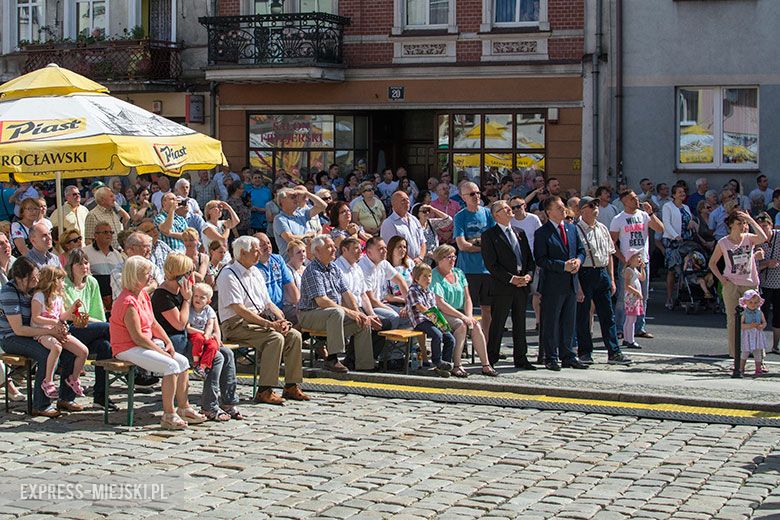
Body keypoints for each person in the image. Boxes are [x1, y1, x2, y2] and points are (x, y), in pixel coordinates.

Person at [110, 256, 205, 429]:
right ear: (135, 275)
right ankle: (169, 414)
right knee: (170, 365)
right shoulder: (128, 301)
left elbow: (153, 323)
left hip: (142, 343)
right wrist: (161, 351)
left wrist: (167, 341)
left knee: (182, 362)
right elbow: (137, 337)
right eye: (146, 273)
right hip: (127, 346)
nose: (150, 277)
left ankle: (184, 407)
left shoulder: (143, 295)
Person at [217, 236, 308, 405]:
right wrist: (268, 324)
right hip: (236, 323)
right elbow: (239, 309)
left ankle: (291, 385)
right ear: (242, 253)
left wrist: (281, 320)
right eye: (255, 251)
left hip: (258, 319)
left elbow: (267, 302)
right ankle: (265, 390)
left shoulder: (255, 272)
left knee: (294, 335)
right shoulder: (228, 274)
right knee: (274, 338)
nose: (259, 254)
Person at [0, 257, 78, 417]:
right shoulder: (9, 292)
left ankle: (66, 397)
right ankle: (41, 405)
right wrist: (50, 331)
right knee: (45, 353)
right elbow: (19, 329)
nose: (37, 280)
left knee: (68, 350)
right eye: (33, 277)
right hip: (11, 337)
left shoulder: (32, 291)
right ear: (22, 278)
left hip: (33, 333)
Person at [297, 235, 375, 373]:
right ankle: (332, 359)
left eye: (334, 246)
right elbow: (321, 301)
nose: (334, 249)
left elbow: (346, 293)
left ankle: (365, 365)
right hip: (309, 315)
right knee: (336, 312)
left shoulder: (334, 268)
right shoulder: (312, 270)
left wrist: (357, 312)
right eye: (329, 247)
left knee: (362, 321)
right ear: (317, 251)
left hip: (330, 315)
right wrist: (349, 312)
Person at [479, 200, 536, 370]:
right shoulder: (489, 235)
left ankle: (521, 357)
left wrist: (528, 276)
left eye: (508, 207)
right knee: (498, 322)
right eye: (503, 208)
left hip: (522, 284)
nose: (508, 209)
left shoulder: (520, 232)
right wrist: (511, 278)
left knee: (520, 322)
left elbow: (529, 260)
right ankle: (491, 357)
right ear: (496, 215)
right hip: (502, 285)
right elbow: (491, 264)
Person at [574, 197, 630, 365]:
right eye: (592, 206)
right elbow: (574, 258)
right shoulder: (576, 230)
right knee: (583, 315)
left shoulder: (602, 228)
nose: (596, 208)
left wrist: (611, 278)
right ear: (583, 210)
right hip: (584, 273)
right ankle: (584, 352)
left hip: (601, 272)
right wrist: (577, 285)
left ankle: (614, 351)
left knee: (608, 315)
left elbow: (610, 255)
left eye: (596, 205)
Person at [534, 196, 588, 371]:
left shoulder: (572, 229)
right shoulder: (542, 232)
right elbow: (541, 259)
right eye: (558, 207)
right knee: (551, 321)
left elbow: (581, 250)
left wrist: (578, 262)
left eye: (563, 207)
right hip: (552, 284)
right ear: (549, 212)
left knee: (568, 321)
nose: (563, 209)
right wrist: (562, 266)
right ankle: (551, 357)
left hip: (570, 282)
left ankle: (568, 355)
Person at [430, 245, 495, 376]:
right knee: (461, 326)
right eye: (449, 257)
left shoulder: (459, 273)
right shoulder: (434, 275)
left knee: (476, 326)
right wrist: (463, 317)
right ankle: (457, 365)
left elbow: (467, 298)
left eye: (454, 256)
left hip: (459, 311)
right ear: (440, 259)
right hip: (440, 312)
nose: (453, 259)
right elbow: (440, 303)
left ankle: (486, 364)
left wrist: (469, 315)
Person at [62, 248, 115, 410]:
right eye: (79, 263)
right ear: (71, 266)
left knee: (105, 346)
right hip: (70, 328)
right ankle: (66, 397)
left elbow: (98, 313)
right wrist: (99, 325)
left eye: (86, 262)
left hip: (92, 327)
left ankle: (101, 396)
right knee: (109, 329)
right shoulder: (65, 284)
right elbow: (73, 315)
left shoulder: (92, 282)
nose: (84, 266)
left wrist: (96, 324)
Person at [709, 211, 766, 358]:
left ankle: (757, 352)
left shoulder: (748, 238)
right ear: (731, 225)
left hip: (750, 284)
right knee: (733, 319)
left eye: (744, 223)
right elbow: (712, 263)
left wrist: (751, 220)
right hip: (732, 284)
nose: (743, 226)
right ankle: (735, 353)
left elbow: (763, 238)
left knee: (755, 318)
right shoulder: (723, 242)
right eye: (739, 223)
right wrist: (722, 280)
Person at [609, 190, 664, 340]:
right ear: (624, 201)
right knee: (623, 296)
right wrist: (622, 258)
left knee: (643, 296)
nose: (636, 200)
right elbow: (611, 243)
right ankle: (620, 327)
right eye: (632, 198)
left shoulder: (643, 215)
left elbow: (660, 229)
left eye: (635, 198)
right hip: (627, 264)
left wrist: (651, 214)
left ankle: (639, 327)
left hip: (642, 262)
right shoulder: (618, 219)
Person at [30, 265, 89, 400]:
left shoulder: (58, 298)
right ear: (52, 281)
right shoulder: (39, 296)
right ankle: (48, 380)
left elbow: (62, 316)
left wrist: (73, 310)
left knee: (83, 351)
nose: (63, 283)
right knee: (56, 347)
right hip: (42, 331)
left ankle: (73, 378)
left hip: (57, 331)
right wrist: (54, 323)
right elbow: (36, 317)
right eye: (61, 280)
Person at [453, 181, 495, 340]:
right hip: (468, 270)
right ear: (463, 197)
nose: (477, 196)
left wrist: (476, 243)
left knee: (487, 309)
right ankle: (462, 343)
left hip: (487, 269)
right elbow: (462, 245)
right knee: (465, 309)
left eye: (478, 192)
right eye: (472, 194)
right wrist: (482, 245)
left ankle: (486, 343)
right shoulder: (460, 216)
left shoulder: (487, 213)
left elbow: (492, 241)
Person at [406, 262, 454, 377]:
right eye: (425, 276)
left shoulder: (430, 292)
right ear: (417, 279)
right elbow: (421, 308)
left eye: (430, 276)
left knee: (450, 338)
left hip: (432, 320)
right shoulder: (413, 290)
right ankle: (437, 361)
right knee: (437, 335)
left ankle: (445, 364)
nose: (428, 279)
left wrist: (442, 322)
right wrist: (435, 319)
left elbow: (434, 308)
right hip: (421, 321)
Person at [358, 237, 409, 329]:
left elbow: (400, 281)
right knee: (394, 316)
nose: (385, 251)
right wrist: (394, 310)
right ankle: (389, 342)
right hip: (368, 307)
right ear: (369, 252)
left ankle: (400, 343)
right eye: (380, 249)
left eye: (385, 248)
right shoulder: (363, 267)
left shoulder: (383, 263)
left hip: (381, 304)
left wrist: (408, 304)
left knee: (410, 314)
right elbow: (371, 300)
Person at [151, 254, 195, 357]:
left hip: (184, 335)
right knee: (216, 356)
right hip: (170, 338)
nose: (191, 276)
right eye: (189, 272)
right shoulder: (161, 295)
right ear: (180, 275)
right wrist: (187, 300)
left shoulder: (182, 290)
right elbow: (179, 324)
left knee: (224, 353)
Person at [661, 185, 695, 310]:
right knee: (672, 269)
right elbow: (667, 223)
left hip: (686, 240)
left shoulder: (686, 207)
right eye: (679, 192)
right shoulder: (668, 206)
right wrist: (676, 236)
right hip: (672, 241)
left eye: (683, 191)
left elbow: (689, 221)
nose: (682, 193)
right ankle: (669, 297)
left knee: (684, 269)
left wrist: (692, 224)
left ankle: (681, 295)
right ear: (674, 195)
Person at [274, 186, 328, 258]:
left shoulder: (302, 213)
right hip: (290, 262)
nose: (296, 199)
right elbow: (290, 239)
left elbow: (323, 206)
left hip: (307, 259)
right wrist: (306, 236)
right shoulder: (280, 219)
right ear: (282, 201)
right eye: (292, 197)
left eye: (296, 196)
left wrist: (306, 193)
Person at [255, 232, 300, 314]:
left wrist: (299, 305)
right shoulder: (253, 266)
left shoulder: (278, 259)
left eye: (268, 243)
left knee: (304, 315)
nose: (267, 246)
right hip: (265, 311)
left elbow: (290, 285)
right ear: (255, 248)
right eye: (262, 245)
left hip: (283, 307)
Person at [380, 190, 427, 264]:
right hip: (401, 266)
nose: (407, 202)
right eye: (403, 200)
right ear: (394, 204)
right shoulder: (389, 223)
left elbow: (423, 242)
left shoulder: (414, 219)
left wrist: (420, 258)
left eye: (407, 199)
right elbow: (392, 248)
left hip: (418, 264)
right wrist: (410, 262)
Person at [84, 222, 123, 308]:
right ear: (96, 235)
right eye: (105, 232)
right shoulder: (85, 252)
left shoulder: (117, 254)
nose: (109, 235)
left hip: (115, 299)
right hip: (96, 298)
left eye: (111, 232)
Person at [757, 213, 780, 353]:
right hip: (763, 284)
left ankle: (775, 346)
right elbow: (752, 265)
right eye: (760, 227)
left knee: (778, 316)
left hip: (779, 283)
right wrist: (766, 264)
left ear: (771, 225)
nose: (763, 229)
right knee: (761, 316)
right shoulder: (757, 241)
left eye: (765, 226)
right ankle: (759, 346)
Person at [187, 283, 220, 380]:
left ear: (208, 301)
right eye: (196, 296)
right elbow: (188, 328)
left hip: (205, 333)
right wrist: (202, 333)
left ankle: (203, 367)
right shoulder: (190, 309)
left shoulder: (208, 310)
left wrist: (208, 334)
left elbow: (210, 324)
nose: (198, 299)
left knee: (213, 346)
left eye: (202, 297)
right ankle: (196, 362)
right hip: (194, 333)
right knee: (199, 339)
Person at [738, 290, 768, 377]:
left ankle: (758, 369)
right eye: (750, 302)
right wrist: (750, 326)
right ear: (745, 302)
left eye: (755, 302)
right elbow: (741, 325)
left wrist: (762, 326)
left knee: (757, 352)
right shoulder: (744, 313)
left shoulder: (759, 312)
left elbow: (765, 322)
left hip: (757, 335)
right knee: (745, 352)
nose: (753, 304)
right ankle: (741, 368)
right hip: (747, 335)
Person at [203, 200, 239, 266]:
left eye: (221, 207)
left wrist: (228, 207)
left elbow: (236, 221)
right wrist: (227, 228)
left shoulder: (222, 222)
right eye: (217, 207)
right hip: (214, 260)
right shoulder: (206, 226)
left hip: (226, 257)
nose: (220, 209)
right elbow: (221, 240)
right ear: (209, 211)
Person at [622, 253, 645, 350]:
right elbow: (627, 286)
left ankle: (627, 338)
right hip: (631, 298)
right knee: (631, 319)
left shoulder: (634, 270)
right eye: (637, 257)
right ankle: (630, 340)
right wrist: (637, 292)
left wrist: (643, 268)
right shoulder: (628, 270)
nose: (639, 259)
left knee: (630, 319)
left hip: (634, 298)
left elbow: (642, 278)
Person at [283, 239, 307, 322]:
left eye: (303, 251)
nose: (302, 254)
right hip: (291, 306)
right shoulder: (286, 270)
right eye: (298, 252)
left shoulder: (305, 269)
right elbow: (292, 298)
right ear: (291, 255)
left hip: (304, 304)